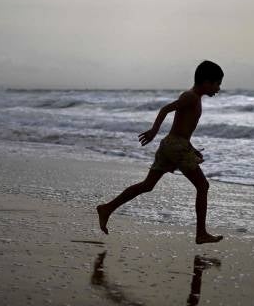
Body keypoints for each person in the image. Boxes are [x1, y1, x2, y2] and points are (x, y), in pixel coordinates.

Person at [96, 60, 224, 244]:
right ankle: (201, 233)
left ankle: (107, 208)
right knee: (203, 186)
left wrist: (191, 148)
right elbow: (166, 109)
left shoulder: (193, 97)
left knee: (147, 185)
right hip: (176, 147)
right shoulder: (191, 97)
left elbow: (182, 129)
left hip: (172, 145)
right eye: (217, 83)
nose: (218, 88)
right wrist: (154, 131)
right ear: (206, 81)